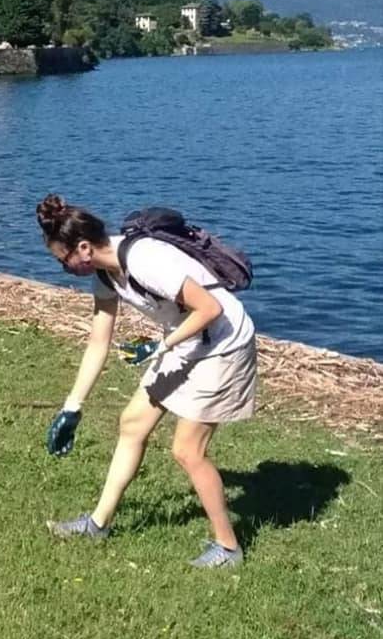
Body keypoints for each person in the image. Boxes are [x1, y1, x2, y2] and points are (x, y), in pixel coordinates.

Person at [37, 194, 257, 568]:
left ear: (84, 248)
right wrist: (71, 408)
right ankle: (97, 525)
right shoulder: (107, 274)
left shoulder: (145, 260)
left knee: (187, 450)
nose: (65, 268)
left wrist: (160, 345)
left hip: (223, 345)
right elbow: (98, 342)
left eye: (64, 261)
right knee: (133, 423)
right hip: (185, 341)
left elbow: (210, 308)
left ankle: (228, 547)